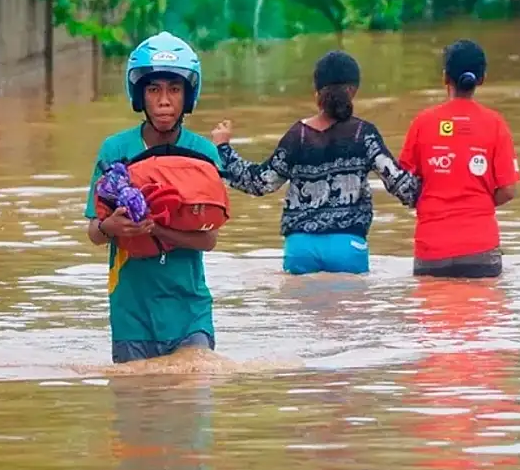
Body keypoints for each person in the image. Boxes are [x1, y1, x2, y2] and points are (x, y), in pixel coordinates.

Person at [211, 50, 422, 275]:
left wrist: (223, 148)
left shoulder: (297, 136)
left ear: (316, 93)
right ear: (353, 91)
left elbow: (260, 183)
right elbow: (402, 186)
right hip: (347, 247)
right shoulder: (364, 134)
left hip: (300, 248)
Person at [84, 31, 222, 365]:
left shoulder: (203, 153)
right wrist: (111, 226)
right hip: (132, 314)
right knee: (138, 412)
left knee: (190, 409)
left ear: (187, 96)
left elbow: (209, 239)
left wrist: (156, 231)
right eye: (154, 89)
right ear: (140, 96)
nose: (164, 100)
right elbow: (93, 234)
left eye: (174, 90)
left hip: (190, 311)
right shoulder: (114, 151)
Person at [397, 40, 520, 278]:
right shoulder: (495, 124)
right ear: (482, 79)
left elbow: (403, 182)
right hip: (480, 249)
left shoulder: (422, 123)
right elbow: (508, 190)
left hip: (431, 249)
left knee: (433, 313)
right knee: (483, 314)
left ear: (445, 77)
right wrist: (478, 203)